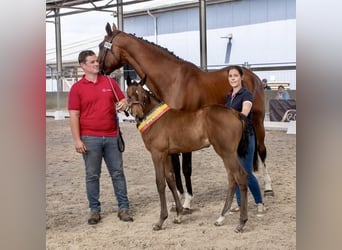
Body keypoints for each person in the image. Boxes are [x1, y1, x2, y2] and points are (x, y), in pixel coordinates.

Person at [68, 50, 133, 225]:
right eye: (92, 62)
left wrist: (122, 103)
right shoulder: (76, 89)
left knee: (118, 173)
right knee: (92, 175)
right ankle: (94, 210)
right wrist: (77, 140)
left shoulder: (110, 82)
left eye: (97, 61)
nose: (97, 64)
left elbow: (124, 100)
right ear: (83, 66)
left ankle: (124, 208)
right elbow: (74, 115)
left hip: (112, 136)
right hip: (89, 138)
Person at [225, 65, 267, 217]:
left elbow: (244, 113)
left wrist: (227, 118)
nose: (233, 78)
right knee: (235, 171)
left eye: (235, 76)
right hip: (232, 139)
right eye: (230, 76)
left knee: (246, 172)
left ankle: (259, 202)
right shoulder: (229, 97)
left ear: (241, 77)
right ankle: (240, 203)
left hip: (246, 136)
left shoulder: (246, 94)